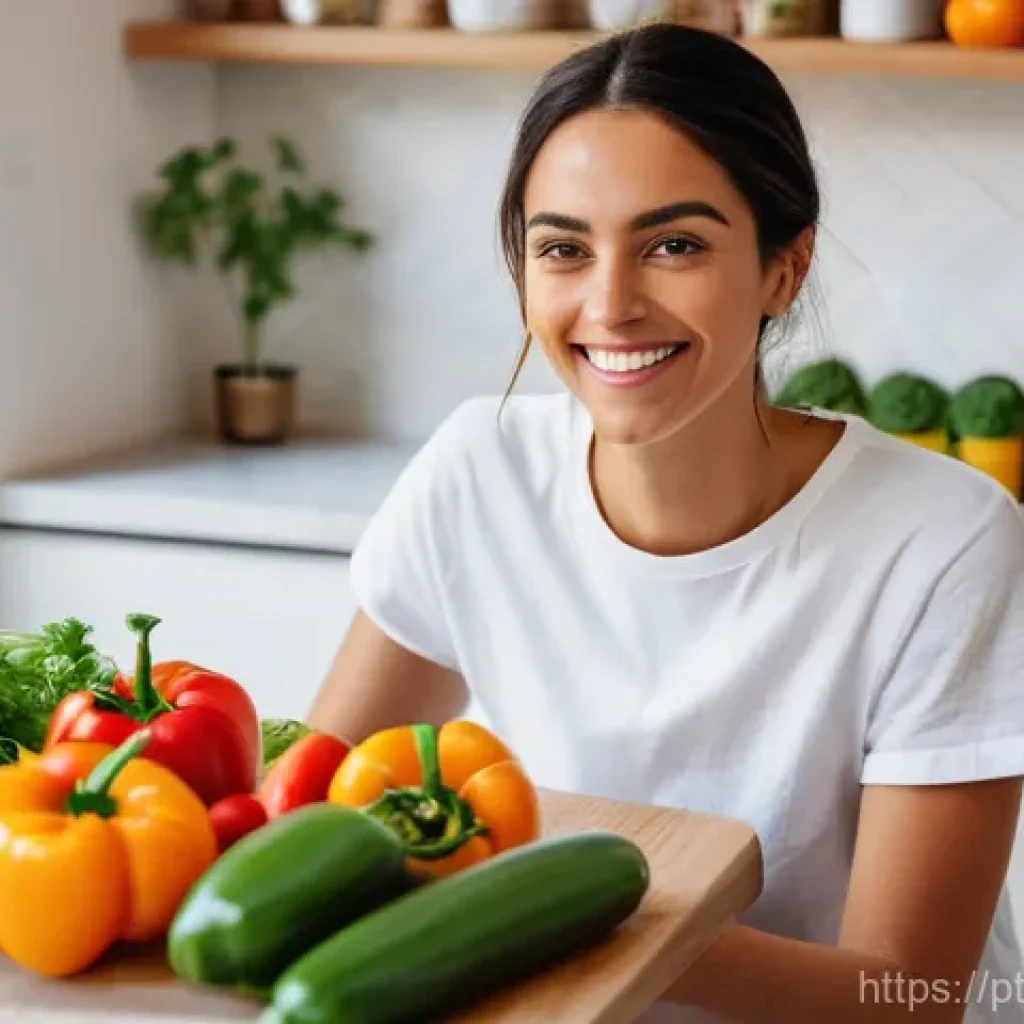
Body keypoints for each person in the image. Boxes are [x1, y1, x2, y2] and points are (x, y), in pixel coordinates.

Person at [307, 22, 1024, 1024]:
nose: (609, 303)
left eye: (673, 244)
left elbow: (910, 995)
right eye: (562, 247)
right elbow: (303, 815)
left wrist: (573, 918)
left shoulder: (942, 540)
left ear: (784, 268)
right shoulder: (478, 475)